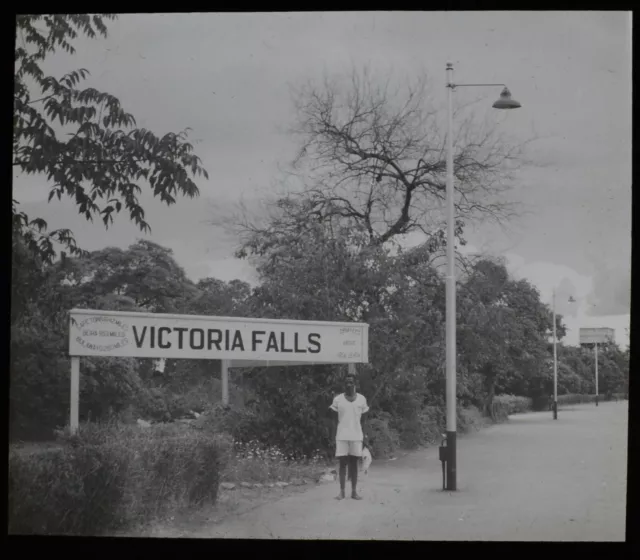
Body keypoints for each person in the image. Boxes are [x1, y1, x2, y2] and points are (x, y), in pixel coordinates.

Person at [329, 372, 369, 500]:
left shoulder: (362, 399)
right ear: (343, 384)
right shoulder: (338, 399)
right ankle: (341, 492)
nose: (348, 384)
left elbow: (364, 420)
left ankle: (354, 492)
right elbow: (333, 420)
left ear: (355, 384)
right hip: (341, 436)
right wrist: (333, 434)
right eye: (346, 382)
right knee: (342, 464)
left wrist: (365, 436)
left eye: (351, 382)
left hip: (357, 436)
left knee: (354, 464)